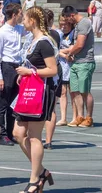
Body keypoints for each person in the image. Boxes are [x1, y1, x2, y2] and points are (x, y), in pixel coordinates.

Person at [13, 7, 58, 193]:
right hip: (29, 90)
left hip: (41, 92)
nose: (22, 21)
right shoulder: (33, 41)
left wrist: (30, 72)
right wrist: (23, 75)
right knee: (17, 133)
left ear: (33, 20)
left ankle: (34, 180)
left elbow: (53, 70)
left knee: (33, 136)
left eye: (25, 18)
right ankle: (40, 171)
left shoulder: (45, 43)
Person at [0, 3, 25, 147]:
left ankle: (11, 132)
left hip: (17, 67)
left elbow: (32, 30)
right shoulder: (1, 32)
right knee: (3, 103)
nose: (22, 16)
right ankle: (0, 133)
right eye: (20, 13)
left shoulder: (19, 29)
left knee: (14, 103)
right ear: (14, 15)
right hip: (6, 67)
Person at [61, 5, 96, 128]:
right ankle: (80, 117)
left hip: (85, 62)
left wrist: (69, 53)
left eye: (67, 19)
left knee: (85, 91)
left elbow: (80, 44)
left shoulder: (84, 23)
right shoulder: (77, 26)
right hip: (76, 62)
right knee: (75, 91)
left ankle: (89, 117)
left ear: (72, 15)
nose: (67, 22)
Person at [43, 9, 63, 150]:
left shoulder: (40, 36)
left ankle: (39, 137)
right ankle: (49, 140)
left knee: (43, 106)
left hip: (44, 70)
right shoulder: (56, 34)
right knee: (52, 108)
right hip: (57, 69)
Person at [56, 15, 76, 127]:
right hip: (62, 66)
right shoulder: (58, 34)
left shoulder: (73, 34)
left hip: (72, 65)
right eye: (61, 24)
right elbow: (54, 49)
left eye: (66, 24)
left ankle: (75, 117)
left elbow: (73, 48)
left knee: (73, 92)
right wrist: (63, 54)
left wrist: (61, 51)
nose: (64, 26)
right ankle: (63, 118)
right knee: (62, 92)